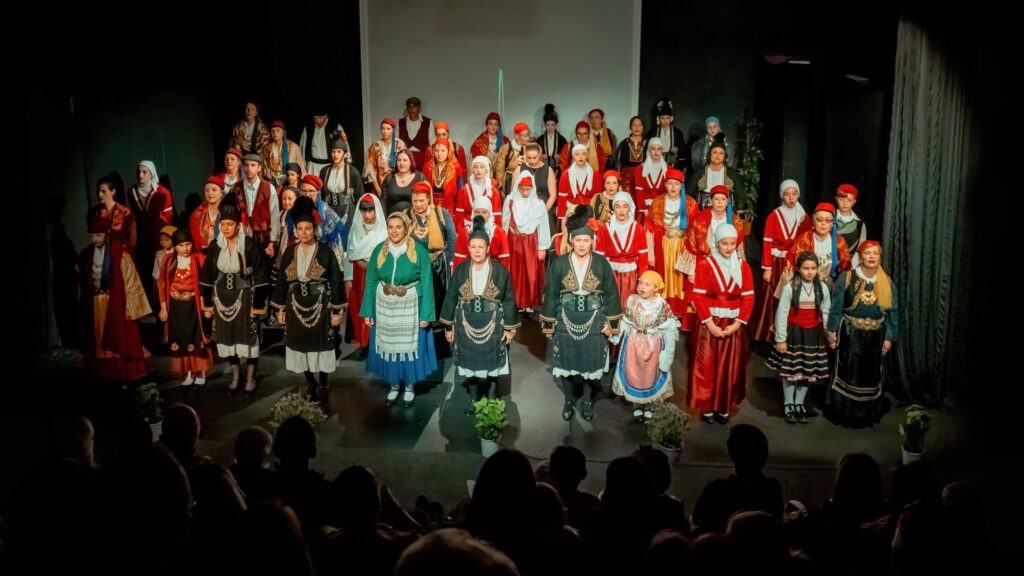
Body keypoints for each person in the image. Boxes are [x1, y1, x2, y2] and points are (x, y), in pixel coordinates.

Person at [541, 205, 622, 421]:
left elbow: (611, 295)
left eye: (586, 240)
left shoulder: (601, 264)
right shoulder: (560, 263)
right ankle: (568, 401)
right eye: (578, 240)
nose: (582, 244)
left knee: (590, 364)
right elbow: (551, 294)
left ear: (592, 241)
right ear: (571, 241)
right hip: (566, 319)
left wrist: (612, 325)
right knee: (566, 363)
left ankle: (586, 401)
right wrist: (549, 324)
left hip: (594, 320)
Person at [440, 216, 519, 414]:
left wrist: (509, 329)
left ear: (488, 248)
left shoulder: (500, 271)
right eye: (473, 247)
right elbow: (451, 297)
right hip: (466, 323)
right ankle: (474, 398)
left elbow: (509, 300)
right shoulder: (461, 270)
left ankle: (491, 400)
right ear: (468, 248)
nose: (476, 251)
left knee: (493, 365)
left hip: (492, 324)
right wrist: (449, 327)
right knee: (470, 364)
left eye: (480, 247)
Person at [271, 197, 346, 402]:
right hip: (295, 305)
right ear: (295, 231)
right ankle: (310, 381)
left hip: (320, 305)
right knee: (302, 345)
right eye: (300, 229)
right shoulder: (289, 253)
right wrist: (280, 309)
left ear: (314, 229)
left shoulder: (325, 252)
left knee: (323, 345)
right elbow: (281, 282)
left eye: (308, 229)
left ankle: (323, 381)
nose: (304, 232)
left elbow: (336, 281)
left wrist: (336, 312)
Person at [361, 211, 438, 407]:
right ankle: (394, 385)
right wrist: (368, 310)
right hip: (385, 305)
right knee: (389, 345)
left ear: (406, 228)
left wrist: (426, 314)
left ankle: (409, 386)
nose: (394, 231)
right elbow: (371, 281)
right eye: (391, 227)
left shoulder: (419, 252)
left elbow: (427, 282)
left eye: (398, 227)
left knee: (409, 346)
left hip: (410, 304)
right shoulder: (379, 251)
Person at [200, 196, 270, 396]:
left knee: (249, 339)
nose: (225, 228)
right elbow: (207, 277)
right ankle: (235, 376)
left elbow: (261, 276)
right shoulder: (215, 246)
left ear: (238, 225)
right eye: (223, 224)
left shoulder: (249, 245)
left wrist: (257, 306)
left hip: (244, 298)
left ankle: (250, 377)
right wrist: (208, 305)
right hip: (222, 298)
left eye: (230, 224)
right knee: (228, 339)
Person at [824, 241, 897, 428]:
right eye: (867, 253)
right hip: (850, 336)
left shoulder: (887, 282)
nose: (872, 257)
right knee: (848, 374)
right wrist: (831, 331)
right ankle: (845, 412)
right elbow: (836, 307)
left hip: (875, 338)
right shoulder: (847, 278)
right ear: (860, 256)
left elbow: (893, 313)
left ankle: (866, 414)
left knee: (870, 375)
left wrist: (889, 338)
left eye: (875, 254)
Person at [689, 224, 754, 424]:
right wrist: (710, 325)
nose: (729, 248)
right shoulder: (705, 265)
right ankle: (707, 406)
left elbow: (748, 297)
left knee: (729, 367)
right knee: (707, 366)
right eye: (725, 243)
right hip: (710, 323)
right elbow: (698, 297)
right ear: (716, 243)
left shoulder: (743, 267)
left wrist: (738, 323)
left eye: (732, 244)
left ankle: (724, 405)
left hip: (732, 324)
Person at [78, 209, 151, 382]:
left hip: (114, 301)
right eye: (92, 236)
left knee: (118, 337)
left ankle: (122, 373)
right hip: (95, 303)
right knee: (98, 337)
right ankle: (103, 374)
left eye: (98, 235)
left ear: (107, 234)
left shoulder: (119, 253)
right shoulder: (87, 255)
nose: (95, 239)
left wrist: (131, 306)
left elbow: (131, 280)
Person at [766, 252, 830, 424]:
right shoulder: (790, 287)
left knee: (806, 371)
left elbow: (825, 311)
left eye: (813, 268)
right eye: (806, 268)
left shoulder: (822, 288)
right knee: (790, 371)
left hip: (812, 335)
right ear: (798, 269)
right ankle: (788, 403)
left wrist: (827, 333)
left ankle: (799, 403)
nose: (810, 272)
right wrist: (781, 338)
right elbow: (782, 313)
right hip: (794, 333)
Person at [610, 271, 679, 420]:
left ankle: (650, 405)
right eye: (641, 283)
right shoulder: (632, 301)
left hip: (653, 346)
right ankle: (637, 404)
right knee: (633, 373)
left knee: (650, 374)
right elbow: (625, 321)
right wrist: (616, 335)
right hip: (633, 344)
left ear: (656, 288)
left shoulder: (662, 305)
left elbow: (669, 330)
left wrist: (668, 354)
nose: (642, 287)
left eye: (647, 285)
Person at [750, 179, 811, 342]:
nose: (791, 198)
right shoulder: (774, 216)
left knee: (790, 296)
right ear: (781, 196)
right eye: (787, 194)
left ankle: (788, 334)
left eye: (794, 194)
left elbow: (806, 242)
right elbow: (767, 242)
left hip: (793, 263)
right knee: (772, 296)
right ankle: (768, 333)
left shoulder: (804, 218)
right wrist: (767, 268)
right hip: (776, 262)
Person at [158, 228, 213, 389]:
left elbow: (207, 284)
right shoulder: (168, 261)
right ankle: (188, 373)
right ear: (175, 246)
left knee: (196, 340)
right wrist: (163, 308)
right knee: (181, 340)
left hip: (194, 306)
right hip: (176, 308)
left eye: (188, 244)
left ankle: (200, 372)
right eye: (181, 245)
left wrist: (207, 305)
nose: (185, 248)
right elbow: (162, 284)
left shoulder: (199, 258)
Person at [647, 169, 698, 322]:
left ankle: (681, 310)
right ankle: (665, 309)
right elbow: (649, 227)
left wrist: (691, 253)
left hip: (683, 246)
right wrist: (651, 252)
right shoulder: (658, 202)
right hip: (664, 245)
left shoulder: (690, 203)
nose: (673, 187)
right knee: (665, 275)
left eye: (676, 184)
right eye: (669, 183)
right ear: (665, 185)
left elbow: (696, 229)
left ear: (681, 186)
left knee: (681, 278)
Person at [406, 180, 456, 319]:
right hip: (415, 265)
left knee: (440, 299)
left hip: (439, 264)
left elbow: (452, 239)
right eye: (415, 201)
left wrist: (450, 262)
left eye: (422, 200)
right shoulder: (407, 216)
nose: (418, 204)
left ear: (429, 199)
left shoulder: (441, 213)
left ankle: (441, 327)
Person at [502, 173, 551, 312]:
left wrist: (542, 247)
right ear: (518, 187)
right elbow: (505, 221)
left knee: (531, 272)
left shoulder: (538, 204)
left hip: (531, 242)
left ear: (532, 188)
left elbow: (543, 226)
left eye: (527, 189)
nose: (525, 192)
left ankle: (530, 303)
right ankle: (517, 302)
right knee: (516, 273)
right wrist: (504, 245)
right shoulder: (510, 200)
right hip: (514, 241)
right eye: (522, 189)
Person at [594, 192, 650, 311]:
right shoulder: (604, 229)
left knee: (629, 304)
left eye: (625, 206)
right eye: (617, 206)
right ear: (613, 208)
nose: (621, 210)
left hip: (631, 275)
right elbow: (599, 257)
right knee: (611, 304)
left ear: (630, 208)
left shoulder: (638, 228)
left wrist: (643, 277)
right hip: (611, 273)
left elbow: (643, 255)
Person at [344, 193, 387, 349]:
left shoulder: (383, 231)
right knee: (359, 307)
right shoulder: (356, 228)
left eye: (370, 210)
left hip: (376, 275)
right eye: (364, 211)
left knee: (375, 307)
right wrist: (348, 278)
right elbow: (350, 254)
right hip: (358, 274)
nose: (367, 215)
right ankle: (363, 341)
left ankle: (375, 341)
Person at [318, 137, 364, 228]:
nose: (335, 155)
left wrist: (360, 216)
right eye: (333, 151)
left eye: (339, 151)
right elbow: (321, 194)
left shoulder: (353, 172)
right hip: (329, 210)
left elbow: (360, 195)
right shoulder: (324, 171)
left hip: (347, 210)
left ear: (345, 154)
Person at [452, 197, 510, 269]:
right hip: (469, 272)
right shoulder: (464, 233)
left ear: (489, 213)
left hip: (493, 272)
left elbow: (504, 261)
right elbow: (459, 260)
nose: (480, 215)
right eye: (477, 212)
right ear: (473, 213)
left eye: (484, 212)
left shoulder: (500, 233)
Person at [365, 118, 407, 196]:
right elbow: (370, 169)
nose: (385, 131)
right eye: (383, 128)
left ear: (393, 130)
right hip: (379, 184)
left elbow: (406, 166)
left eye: (388, 129)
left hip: (397, 184)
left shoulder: (400, 145)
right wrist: (378, 189)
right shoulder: (375, 146)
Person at [632, 137, 668, 222]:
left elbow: (668, 192)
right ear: (649, 150)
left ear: (662, 151)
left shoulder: (668, 169)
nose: (656, 152)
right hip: (645, 209)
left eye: (659, 149)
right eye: (653, 149)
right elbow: (639, 192)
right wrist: (645, 210)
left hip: (663, 207)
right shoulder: (639, 169)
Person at [298, 109, 345, 176]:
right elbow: (303, 147)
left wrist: (344, 164)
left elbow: (344, 146)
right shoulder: (308, 128)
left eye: (320, 118)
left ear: (325, 116)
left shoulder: (335, 127)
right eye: (315, 118)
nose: (317, 121)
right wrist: (303, 166)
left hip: (330, 165)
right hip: (313, 167)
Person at [260, 120, 305, 186]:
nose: (275, 133)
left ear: (283, 133)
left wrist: (303, 182)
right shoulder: (266, 148)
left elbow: (301, 166)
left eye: (278, 130)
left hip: (288, 180)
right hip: (270, 180)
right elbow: (261, 166)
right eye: (273, 131)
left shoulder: (293, 147)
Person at [834, 183, 868, 268]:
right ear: (836, 199)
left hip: (850, 266)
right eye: (841, 199)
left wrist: (852, 266)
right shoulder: (828, 219)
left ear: (854, 202)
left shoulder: (860, 224)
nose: (845, 203)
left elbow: (861, 249)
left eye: (849, 200)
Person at [649, 97, 687, 170]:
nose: (665, 121)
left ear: (671, 118)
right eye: (662, 118)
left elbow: (682, 151)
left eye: (667, 118)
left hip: (672, 164)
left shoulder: (677, 133)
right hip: (656, 163)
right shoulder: (653, 132)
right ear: (659, 118)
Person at [493, 122, 531, 195]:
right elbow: (500, 168)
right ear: (516, 136)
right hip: (510, 180)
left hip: (527, 180)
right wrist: (500, 183)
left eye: (528, 136)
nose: (528, 138)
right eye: (525, 136)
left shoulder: (531, 148)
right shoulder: (506, 148)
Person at [614, 115, 648, 195]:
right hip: (625, 180)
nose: (637, 128)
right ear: (630, 127)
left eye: (639, 125)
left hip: (643, 178)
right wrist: (617, 182)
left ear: (643, 127)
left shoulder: (648, 143)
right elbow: (617, 163)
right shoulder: (623, 143)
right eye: (634, 125)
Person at [398, 96, 434, 170]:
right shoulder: (400, 122)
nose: (412, 110)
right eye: (410, 107)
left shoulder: (428, 122)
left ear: (419, 108)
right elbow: (397, 143)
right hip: (405, 159)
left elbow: (432, 143)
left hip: (423, 159)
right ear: (407, 108)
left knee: (422, 177)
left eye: (414, 107)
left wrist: (431, 160)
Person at [537, 104, 568, 177]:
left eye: (552, 125)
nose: (550, 127)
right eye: (548, 125)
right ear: (545, 125)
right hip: (543, 168)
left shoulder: (562, 139)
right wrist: (541, 156)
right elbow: (535, 155)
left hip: (558, 168)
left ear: (556, 125)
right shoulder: (539, 139)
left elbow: (566, 155)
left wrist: (560, 156)